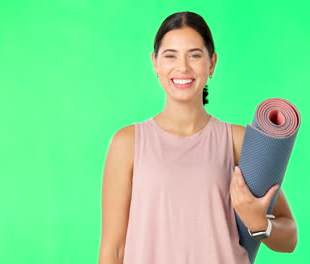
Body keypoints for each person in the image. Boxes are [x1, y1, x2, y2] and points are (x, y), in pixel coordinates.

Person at [98, 11, 298, 264]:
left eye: (194, 55)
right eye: (170, 55)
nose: (182, 67)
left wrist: (259, 223)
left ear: (211, 63)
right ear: (155, 63)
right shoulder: (127, 143)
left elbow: (289, 238)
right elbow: (113, 250)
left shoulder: (238, 141)